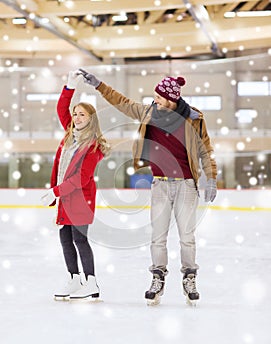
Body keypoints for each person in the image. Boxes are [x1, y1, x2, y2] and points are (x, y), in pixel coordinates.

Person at [78, 68, 217, 306]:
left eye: (160, 97)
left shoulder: (193, 120)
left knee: (187, 238)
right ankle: (158, 278)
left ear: (172, 101)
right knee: (158, 237)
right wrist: (99, 85)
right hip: (160, 185)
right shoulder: (149, 113)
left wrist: (211, 177)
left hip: (186, 185)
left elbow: (205, 151)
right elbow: (122, 102)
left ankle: (189, 277)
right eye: (155, 96)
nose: (155, 100)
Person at [41, 71, 110, 300]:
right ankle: (73, 278)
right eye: (75, 114)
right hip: (65, 198)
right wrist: (70, 86)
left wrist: (55, 192)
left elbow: (81, 178)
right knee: (65, 240)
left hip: (80, 199)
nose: (77, 117)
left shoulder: (93, 146)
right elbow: (62, 108)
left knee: (80, 239)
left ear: (91, 118)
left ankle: (91, 282)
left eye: (82, 114)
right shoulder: (70, 136)